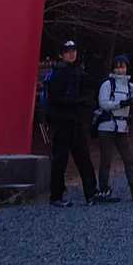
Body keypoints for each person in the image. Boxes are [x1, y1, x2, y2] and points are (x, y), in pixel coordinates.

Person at [45, 40, 106, 207]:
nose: (72, 53)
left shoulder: (77, 71)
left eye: (73, 50)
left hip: (75, 121)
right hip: (62, 122)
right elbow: (55, 99)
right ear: (61, 54)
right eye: (68, 51)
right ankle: (56, 196)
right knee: (60, 159)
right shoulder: (58, 74)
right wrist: (77, 102)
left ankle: (91, 193)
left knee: (84, 157)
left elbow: (91, 83)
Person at [95, 54, 133, 202]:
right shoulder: (107, 85)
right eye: (117, 67)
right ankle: (103, 192)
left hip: (122, 129)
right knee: (106, 161)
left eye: (122, 67)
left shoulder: (129, 86)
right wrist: (120, 104)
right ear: (113, 69)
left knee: (129, 160)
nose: (120, 70)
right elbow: (103, 103)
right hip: (106, 127)